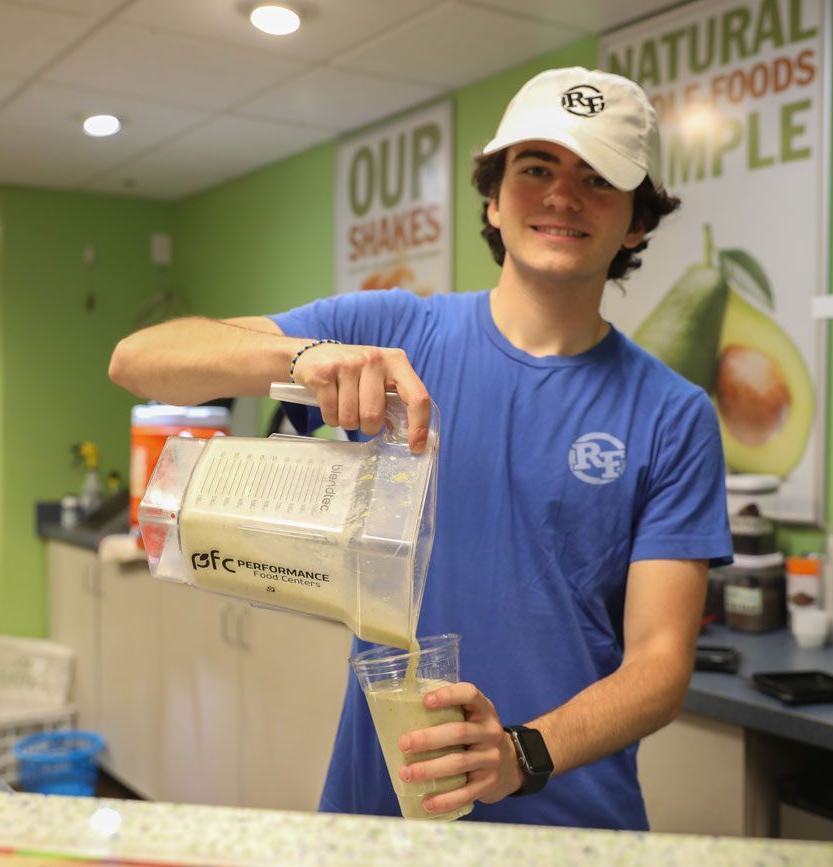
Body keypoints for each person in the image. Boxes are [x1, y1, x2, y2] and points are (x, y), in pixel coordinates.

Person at [109, 67, 732, 831]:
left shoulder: (673, 413)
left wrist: (520, 753)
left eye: (598, 178)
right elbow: (139, 357)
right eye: (536, 168)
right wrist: (303, 358)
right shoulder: (395, 332)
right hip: (383, 808)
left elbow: (660, 666)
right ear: (494, 201)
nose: (563, 196)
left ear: (636, 222)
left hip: (568, 820)